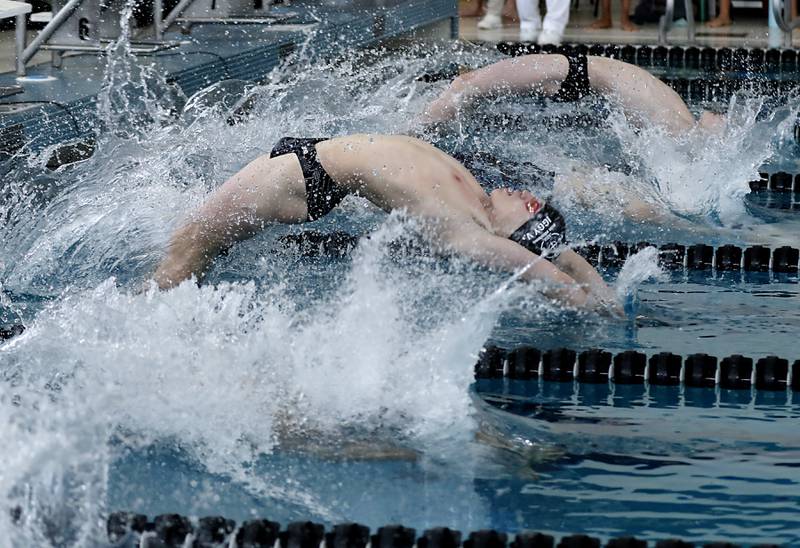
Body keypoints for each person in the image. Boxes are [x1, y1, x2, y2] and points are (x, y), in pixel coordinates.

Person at [154, 134, 618, 313]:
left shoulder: (461, 226)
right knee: (197, 256)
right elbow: (556, 256)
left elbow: (540, 268)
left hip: (297, 177)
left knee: (182, 257)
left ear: (511, 236)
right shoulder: (481, 202)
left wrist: (587, 309)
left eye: (533, 209)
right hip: (309, 165)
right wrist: (608, 299)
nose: (531, 197)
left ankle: (140, 328)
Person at [422, 53, 725, 136]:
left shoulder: (676, 121)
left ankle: (417, 128)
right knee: (468, 87)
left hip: (574, 71)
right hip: (575, 71)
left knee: (468, 87)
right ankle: (419, 126)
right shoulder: (676, 121)